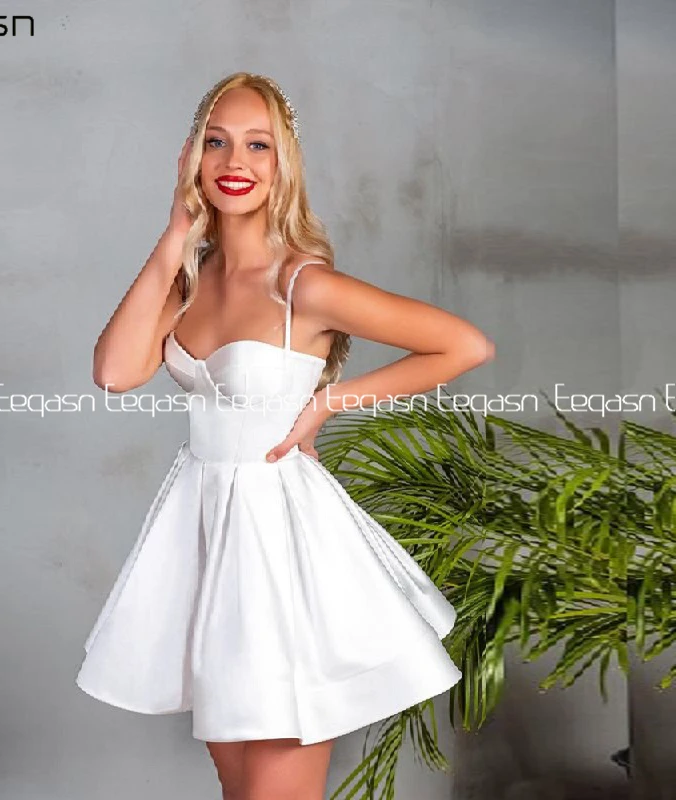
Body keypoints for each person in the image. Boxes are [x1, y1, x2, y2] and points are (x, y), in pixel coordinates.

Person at [76, 72, 494, 800]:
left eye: (257, 145)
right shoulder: (190, 282)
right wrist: (174, 237)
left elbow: (464, 345)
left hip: (282, 549)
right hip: (206, 544)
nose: (235, 162)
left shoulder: (303, 285)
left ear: (283, 163)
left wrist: (330, 401)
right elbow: (114, 373)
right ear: (191, 158)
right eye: (216, 142)